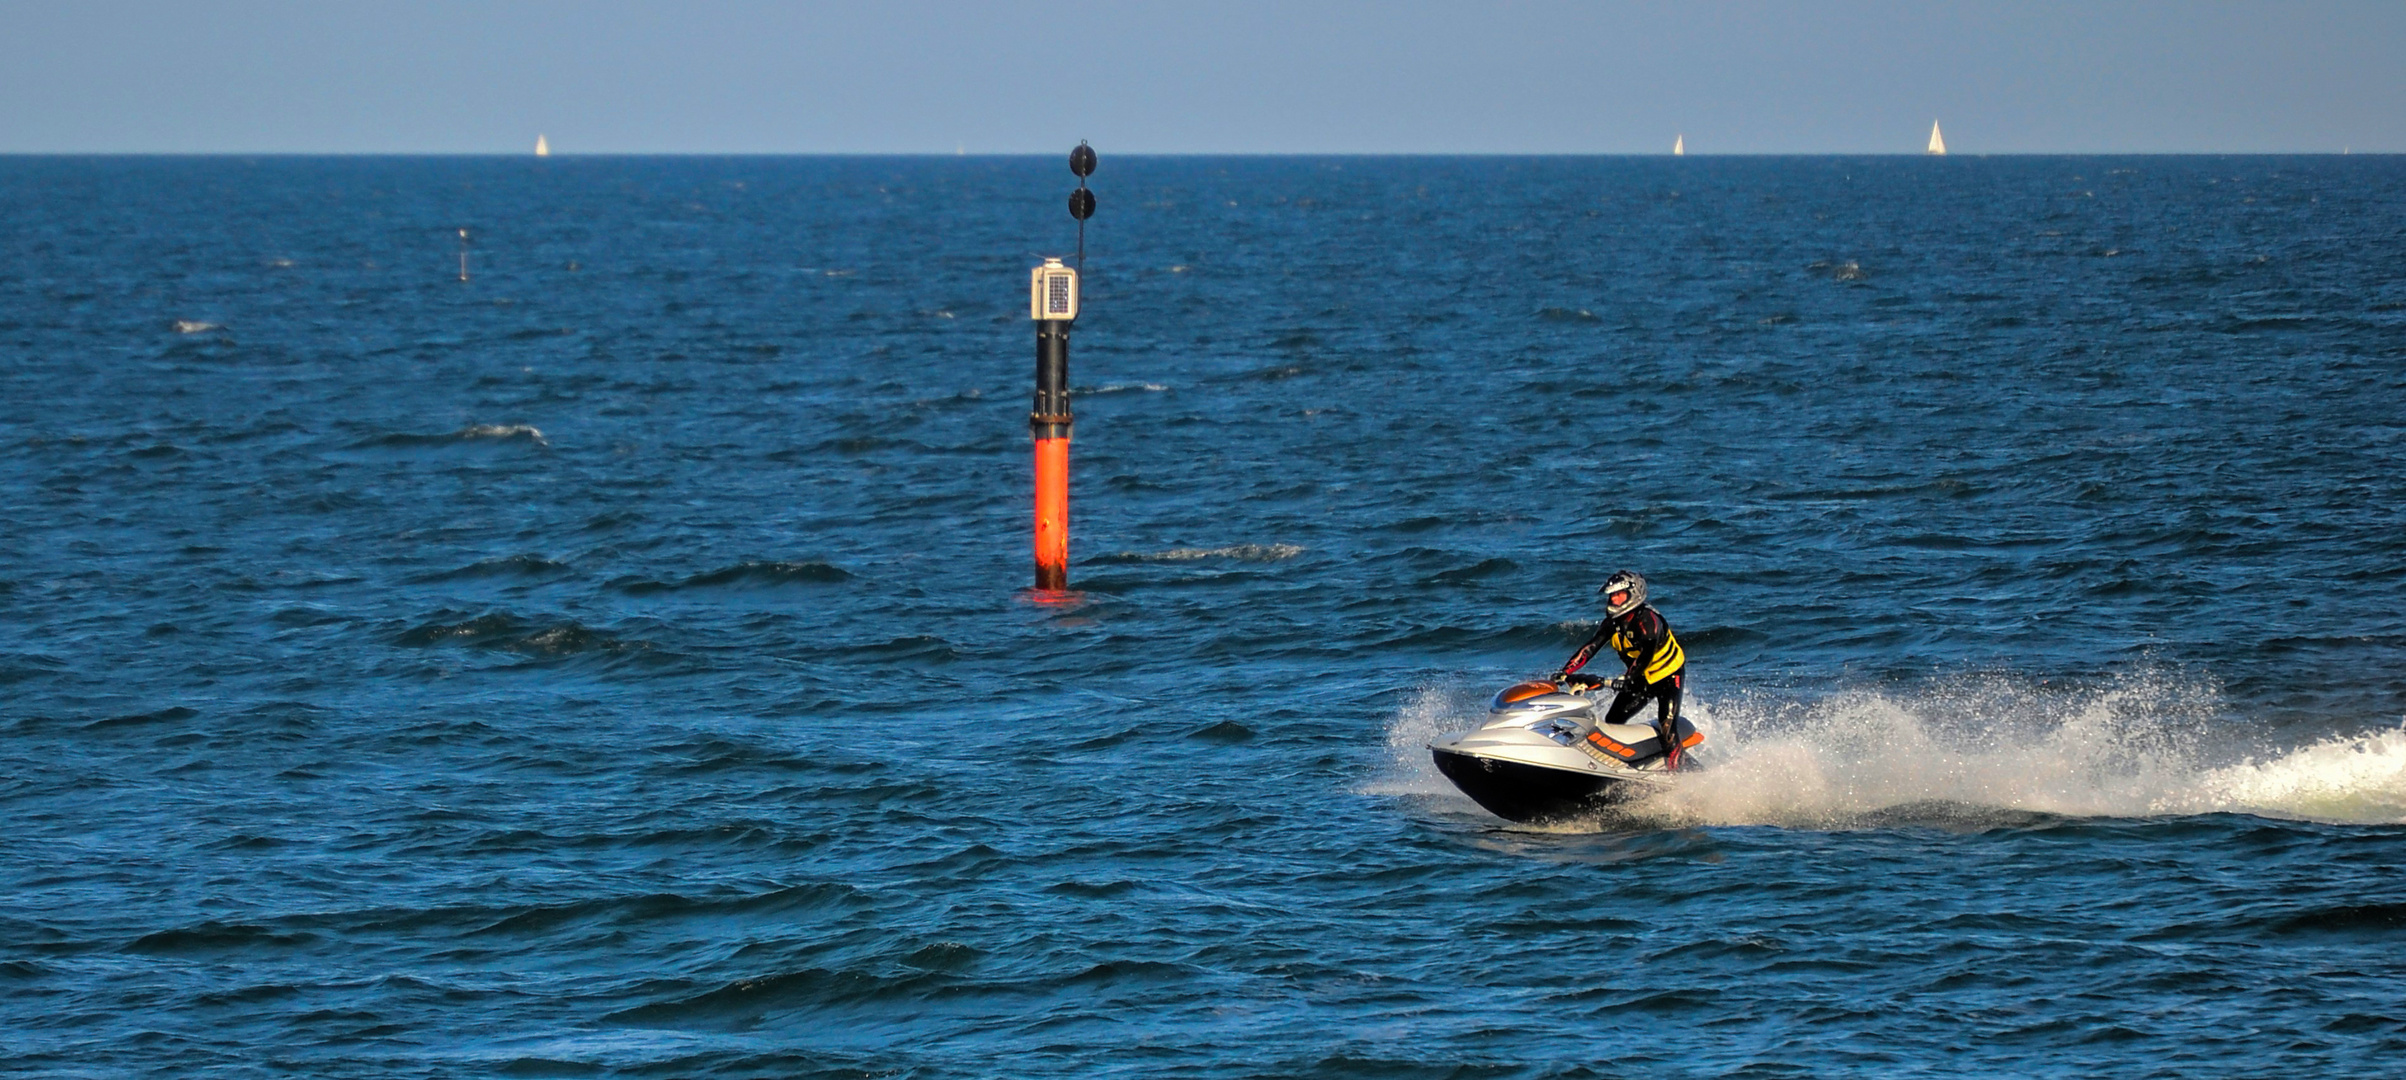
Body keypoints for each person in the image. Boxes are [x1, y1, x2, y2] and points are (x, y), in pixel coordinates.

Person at [1554, 569, 1690, 769]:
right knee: (1613, 721)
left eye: (1619, 594)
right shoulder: (1613, 622)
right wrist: (1565, 672)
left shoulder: (1649, 622)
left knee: (1667, 725)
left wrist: (1625, 679)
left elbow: (1645, 657)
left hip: (1668, 676)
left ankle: (1680, 773)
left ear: (1633, 594)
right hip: (1640, 678)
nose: (1614, 599)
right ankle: (1620, 765)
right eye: (1612, 595)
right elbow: (1590, 647)